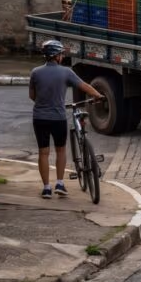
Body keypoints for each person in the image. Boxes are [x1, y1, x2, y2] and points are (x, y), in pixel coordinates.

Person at [30, 40, 103, 199]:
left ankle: (46, 188)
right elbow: (83, 86)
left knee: (43, 152)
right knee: (60, 150)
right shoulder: (66, 72)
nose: (62, 56)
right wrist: (98, 95)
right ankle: (60, 184)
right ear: (56, 56)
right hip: (58, 117)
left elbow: (32, 96)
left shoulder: (35, 72)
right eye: (61, 54)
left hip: (40, 118)